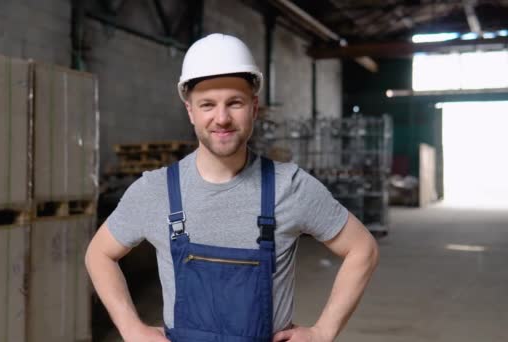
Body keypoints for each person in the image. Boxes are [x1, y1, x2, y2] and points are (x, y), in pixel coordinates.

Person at [85, 33, 379, 342]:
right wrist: (132, 329)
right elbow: (98, 254)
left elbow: (363, 249)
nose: (221, 118)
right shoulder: (155, 191)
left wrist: (322, 332)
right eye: (207, 104)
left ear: (253, 107)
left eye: (234, 103)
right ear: (190, 111)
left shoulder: (289, 186)